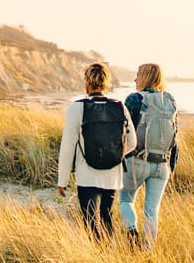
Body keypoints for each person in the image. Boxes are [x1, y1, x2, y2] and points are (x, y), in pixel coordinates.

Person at [58, 62, 136, 240]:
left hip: (87, 174)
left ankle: (99, 256)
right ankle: (109, 256)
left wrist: (62, 180)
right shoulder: (119, 106)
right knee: (107, 217)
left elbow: (67, 146)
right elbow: (132, 142)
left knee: (90, 220)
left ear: (87, 82)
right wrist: (114, 154)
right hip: (112, 175)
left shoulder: (77, 107)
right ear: (107, 83)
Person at [120, 62, 179, 248]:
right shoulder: (170, 101)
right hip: (162, 164)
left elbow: (122, 131)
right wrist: (172, 167)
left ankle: (131, 230)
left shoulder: (135, 99)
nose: (135, 78)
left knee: (125, 199)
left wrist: (119, 157)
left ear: (145, 76)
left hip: (137, 161)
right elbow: (175, 139)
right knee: (152, 210)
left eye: (138, 74)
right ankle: (147, 249)